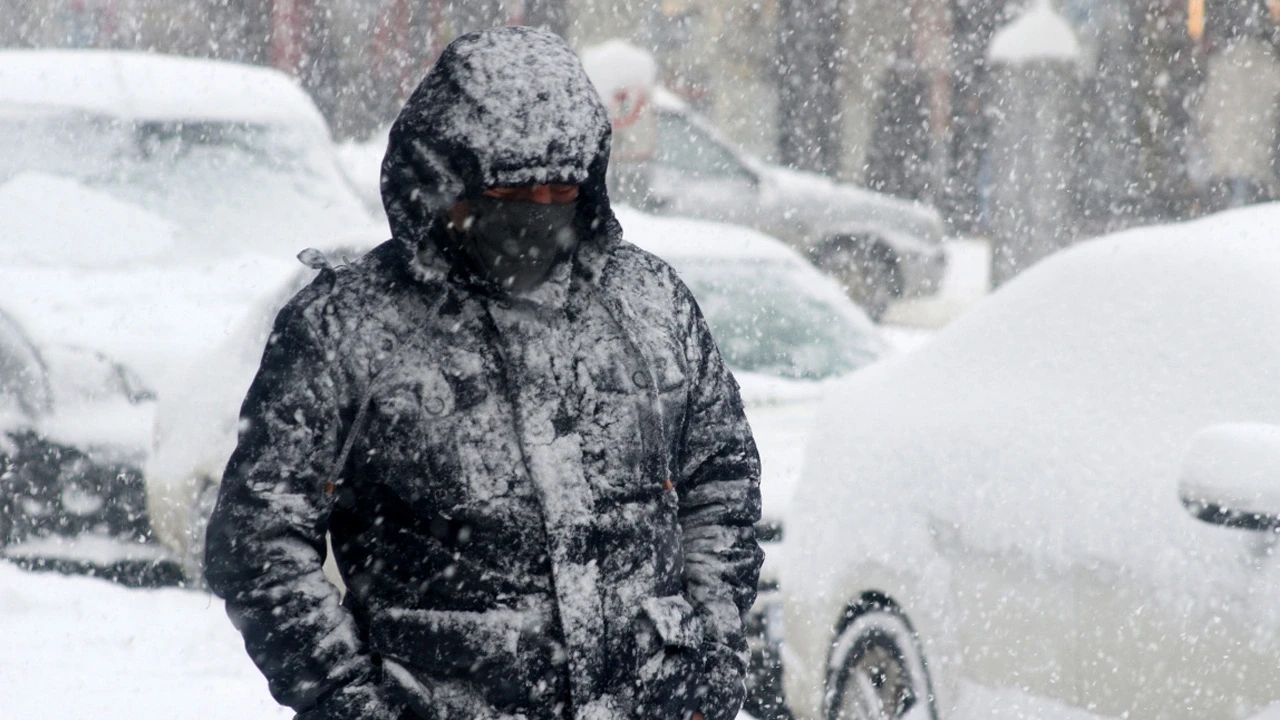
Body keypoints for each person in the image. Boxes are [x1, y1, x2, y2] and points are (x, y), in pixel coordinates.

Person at [203, 26, 763, 720]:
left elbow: (722, 482)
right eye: (511, 194)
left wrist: (706, 649)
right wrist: (355, 701)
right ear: (442, 181)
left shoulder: (649, 305)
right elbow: (259, 541)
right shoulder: (347, 329)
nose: (539, 215)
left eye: (561, 191)